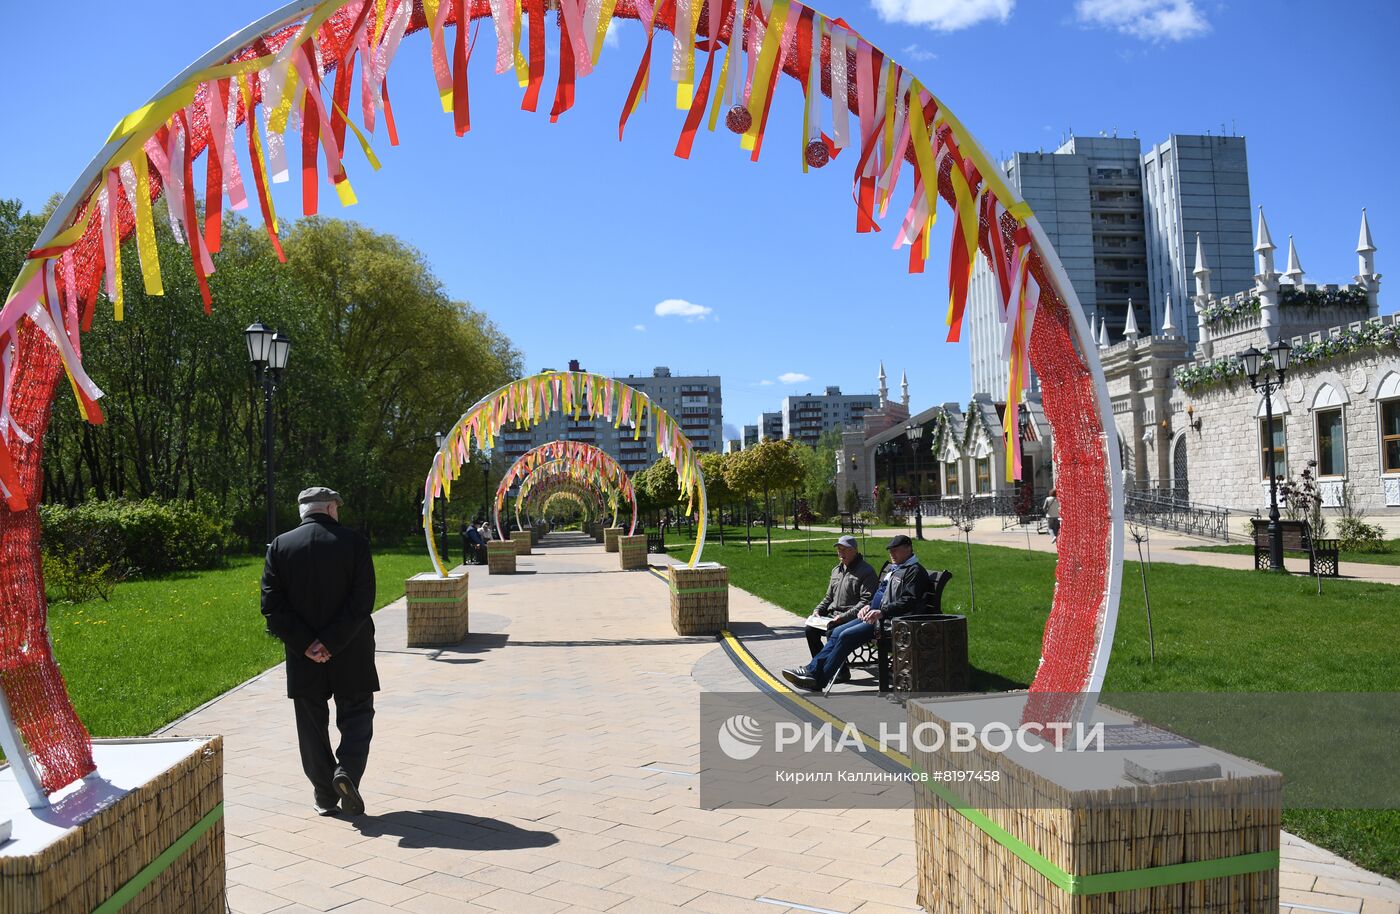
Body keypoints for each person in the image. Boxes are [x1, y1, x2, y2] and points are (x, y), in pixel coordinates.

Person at [261, 486, 378, 817]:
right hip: (351, 648)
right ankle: (347, 772)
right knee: (357, 714)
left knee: (311, 724)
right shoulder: (354, 543)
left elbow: (271, 606)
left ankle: (325, 795)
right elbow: (362, 601)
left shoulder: (280, 546)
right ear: (329, 509)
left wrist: (308, 644)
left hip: (303, 657)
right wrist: (332, 641)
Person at [782, 535, 929, 691]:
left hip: (893, 622)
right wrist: (870, 606)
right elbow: (880, 591)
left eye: (896, 550)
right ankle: (812, 672)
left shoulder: (914, 571)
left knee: (846, 636)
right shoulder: (896, 569)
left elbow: (909, 600)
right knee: (837, 631)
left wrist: (881, 611)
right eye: (890, 551)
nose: (892, 554)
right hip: (875, 616)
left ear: (908, 549)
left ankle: (817, 680)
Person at [804, 536, 878, 683]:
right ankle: (819, 667)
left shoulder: (866, 571)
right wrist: (818, 610)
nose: (840, 553)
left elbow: (865, 602)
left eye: (844, 550)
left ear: (855, 551)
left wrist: (843, 617)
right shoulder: (836, 570)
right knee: (810, 630)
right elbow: (828, 597)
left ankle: (841, 672)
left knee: (832, 631)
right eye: (839, 550)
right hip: (833, 615)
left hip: (852, 618)